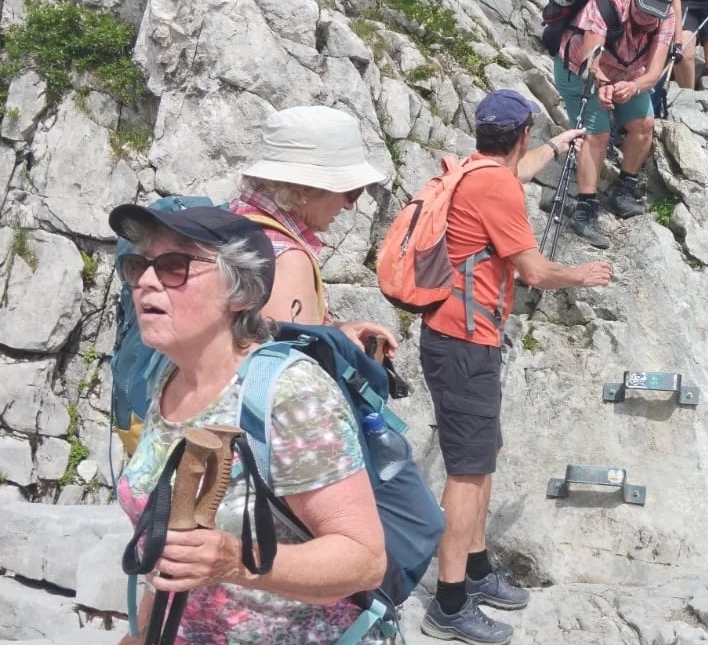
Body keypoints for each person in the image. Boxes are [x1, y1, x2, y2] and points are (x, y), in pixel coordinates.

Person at [108, 204, 388, 642]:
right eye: (137, 265)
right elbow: (169, 546)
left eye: (174, 266)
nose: (145, 281)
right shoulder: (166, 376)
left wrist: (235, 560)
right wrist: (144, 631)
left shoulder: (288, 393)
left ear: (240, 293)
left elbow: (363, 560)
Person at [418, 90, 612, 645]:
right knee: (466, 474)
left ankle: (475, 573)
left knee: (482, 456)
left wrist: (556, 146)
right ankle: (449, 603)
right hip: (465, 342)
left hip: (457, 338)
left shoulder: (475, 170)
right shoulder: (495, 186)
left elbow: (516, 172)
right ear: (520, 133)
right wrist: (582, 275)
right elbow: (532, 272)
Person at [230, 105, 399, 356]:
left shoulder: (235, 218)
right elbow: (288, 368)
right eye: (351, 192)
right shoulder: (287, 260)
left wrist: (337, 331)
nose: (349, 205)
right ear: (304, 190)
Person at [552, 0, 679, 249]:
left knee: (644, 125)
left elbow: (655, 69)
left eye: (654, 12)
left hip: (628, 75)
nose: (647, 17)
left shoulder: (666, 14)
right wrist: (602, 82)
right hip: (578, 69)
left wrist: (634, 87)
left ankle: (625, 190)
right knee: (597, 134)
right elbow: (590, 57)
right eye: (644, 7)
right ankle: (585, 210)